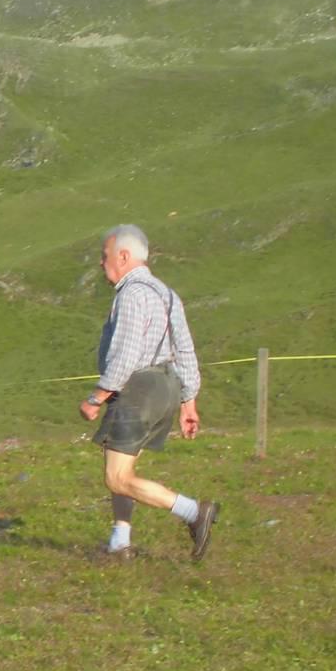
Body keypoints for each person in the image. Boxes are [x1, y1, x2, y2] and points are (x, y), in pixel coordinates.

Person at [78, 225, 219, 558]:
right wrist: (188, 401)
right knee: (124, 467)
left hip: (138, 390)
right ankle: (119, 541)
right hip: (166, 388)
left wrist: (97, 396)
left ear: (123, 256)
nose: (101, 263)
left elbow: (126, 354)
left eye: (105, 256)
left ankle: (194, 512)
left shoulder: (131, 295)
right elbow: (184, 350)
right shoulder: (167, 294)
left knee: (116, 478)